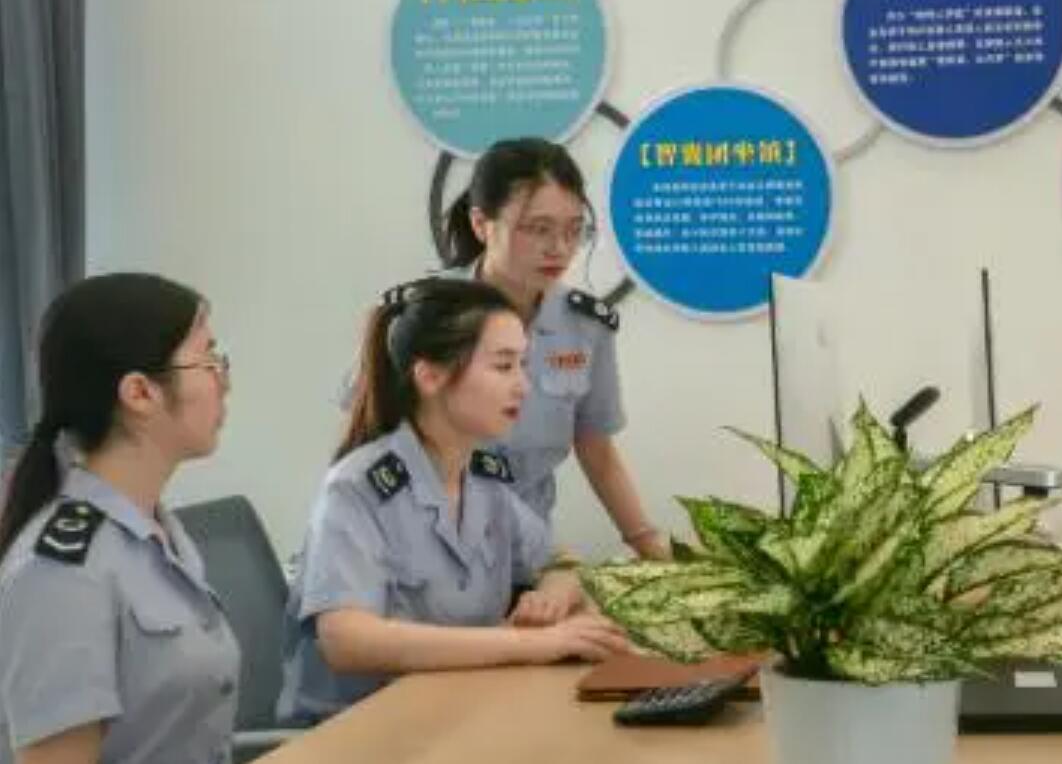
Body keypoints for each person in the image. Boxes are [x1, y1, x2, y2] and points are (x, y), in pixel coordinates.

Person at [279, 278, 628, 724]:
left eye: (523, 365)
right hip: (356, 729)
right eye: (503, 366)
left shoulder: (482, 477)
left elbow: (561, 562)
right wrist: (531, 644)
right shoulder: (357, 487)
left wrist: (552, 596)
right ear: (430, 377)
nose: (523, 386)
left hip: (454, 709)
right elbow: (347, 640)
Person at [0, 274, 240, 764]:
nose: (225, 380)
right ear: (140, 393)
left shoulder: (157, 531)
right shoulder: (62, 571)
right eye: (208, 360)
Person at [431, 137, 666, 559]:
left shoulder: (585, 326)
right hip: (430, 544)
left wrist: (649, 544)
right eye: (539, 229)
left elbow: (596, 447)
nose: (559, 248)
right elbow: (366, 439)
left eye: (574, 230)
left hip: (529, 551)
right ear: (482, 224)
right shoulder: (423, 316)